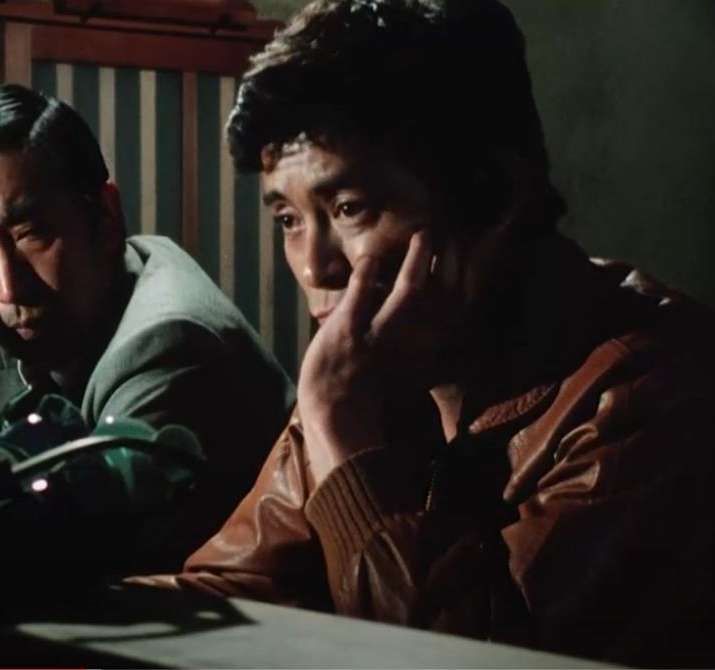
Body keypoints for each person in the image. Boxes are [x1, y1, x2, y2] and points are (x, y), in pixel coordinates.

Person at [139, 0, 715, 665]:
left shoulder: (654, 393)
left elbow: (467, 660)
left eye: (349, 208)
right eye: (289, 220)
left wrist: (341, 428)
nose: (314, 266)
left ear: (494, 195)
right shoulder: (385, 363)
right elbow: (232, 595)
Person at [0, 83, 295, 572]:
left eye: (30, 233)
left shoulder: (171, 343)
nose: (7, 288)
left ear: (105, 217)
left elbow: (62, 559)